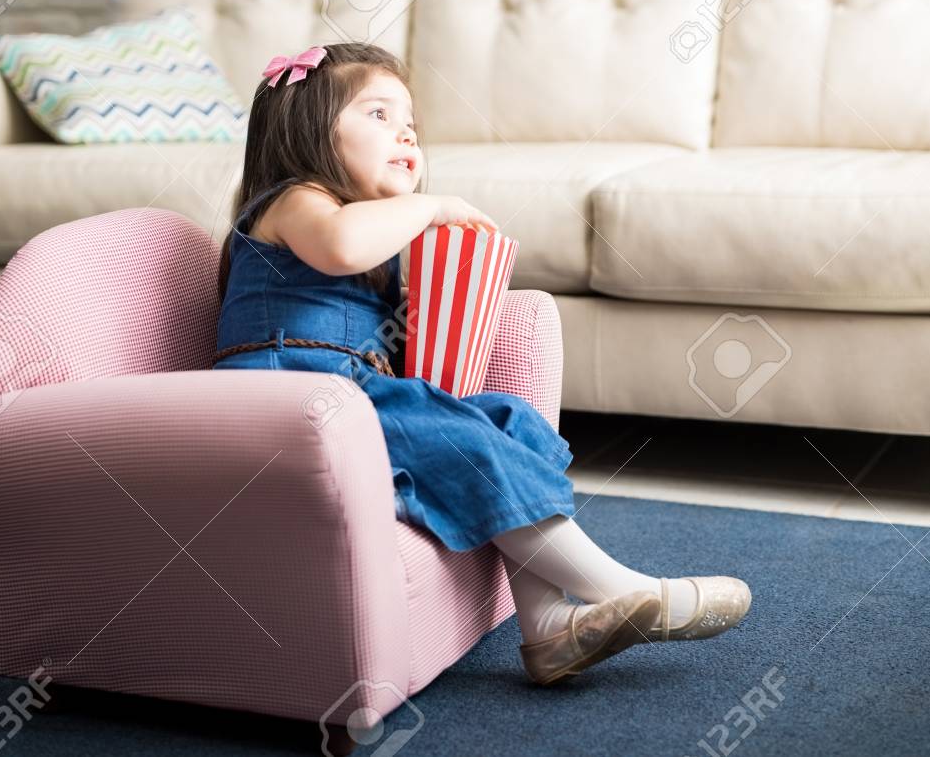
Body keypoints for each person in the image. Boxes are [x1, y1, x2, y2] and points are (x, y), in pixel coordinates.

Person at [212, 41, 752, 685]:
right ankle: (618, 586)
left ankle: (547, 624)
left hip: (354, 395)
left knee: (509, 419)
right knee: (466, 439)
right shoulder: (295, 201)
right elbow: (341, 246)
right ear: (305, 132)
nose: (406, 132)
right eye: (378, 115)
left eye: (410, 121)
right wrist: (432, 206)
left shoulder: (364, 235)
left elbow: (366, 299)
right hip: (293, 399)